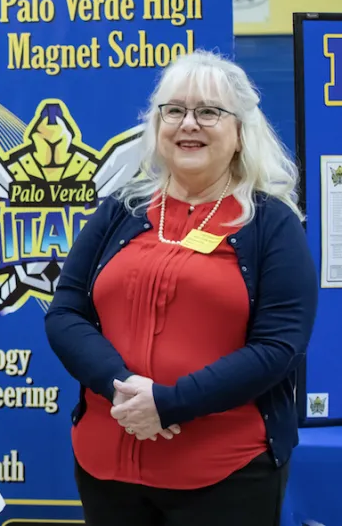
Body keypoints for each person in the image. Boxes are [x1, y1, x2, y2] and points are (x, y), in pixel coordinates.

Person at [44, 50, 316, 526]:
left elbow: (279, 345)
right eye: (174, 111)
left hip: (227, 474)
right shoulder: (120, 210)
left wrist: (170, 403)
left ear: (239, 133)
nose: (189, 124)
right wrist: (121, 387)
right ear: (157, 126)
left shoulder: (272, 223)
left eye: (209, 112)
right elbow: (66, 312)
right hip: (107, 466)